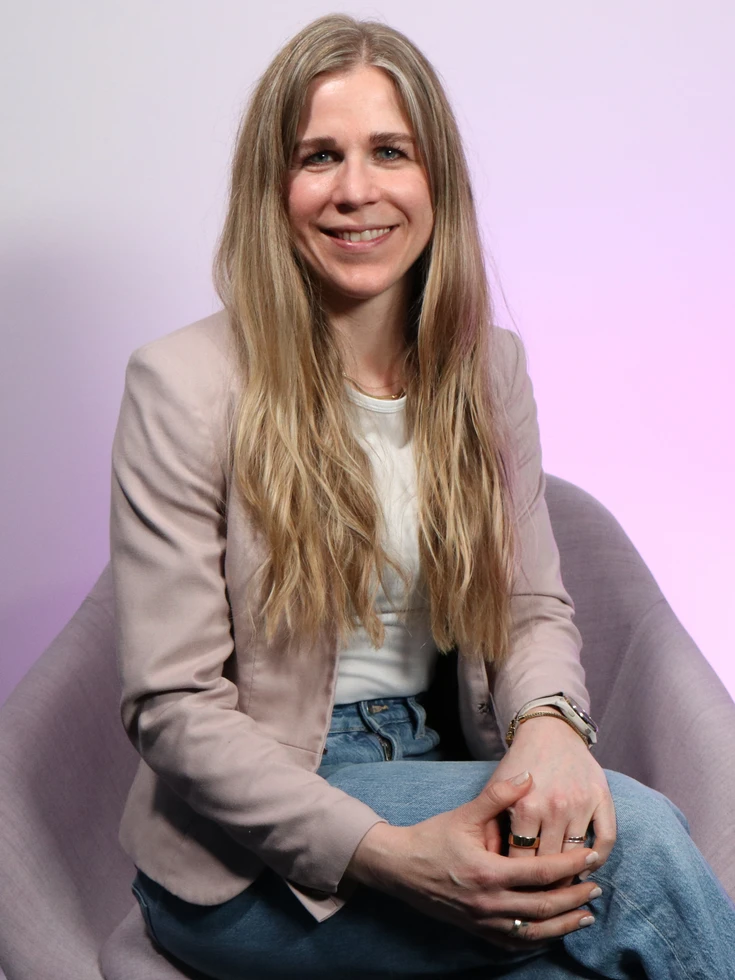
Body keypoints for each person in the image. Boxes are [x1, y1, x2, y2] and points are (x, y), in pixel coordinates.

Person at [111, 13, 735, 979]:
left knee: (592, 942)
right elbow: (173, 706)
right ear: (273, 187)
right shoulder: (183, 383)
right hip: (252, 842)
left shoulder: (488, 370)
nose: (355, 190)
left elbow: (529, 609)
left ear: (435, 178)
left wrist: (549, 728)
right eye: (319, 156)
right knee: (640, 851)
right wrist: (388, 854)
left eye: (389, 151)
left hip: (442, 758)